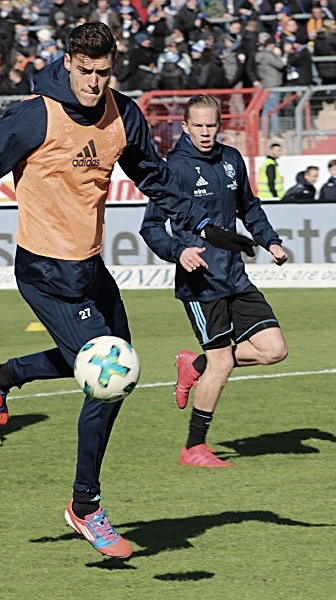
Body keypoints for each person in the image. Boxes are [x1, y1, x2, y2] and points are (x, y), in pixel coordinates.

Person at [0, 23, 256, 559]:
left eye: (104, 71)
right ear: (68, 62)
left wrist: (204, 226)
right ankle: (85, 507)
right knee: (108, 376)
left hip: (91, 268)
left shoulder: (123, 113)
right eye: (86, 71)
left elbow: (157, 182)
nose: (94, 82)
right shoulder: (34, 114)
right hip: (45, 272)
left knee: (120, 366)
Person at [139, 95, 288, 468]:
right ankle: (194, 448)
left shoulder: (231, 159)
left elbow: (249, 207)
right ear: (185, 127)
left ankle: (196, 367)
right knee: (222, 362)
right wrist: (179, 251)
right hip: (200, 283)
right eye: (198, 126)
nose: (206, 133)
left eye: (211, 126)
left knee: (274, 350)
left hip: (235, 276)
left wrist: (269, 240)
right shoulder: (173, 168)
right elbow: (151, 227)